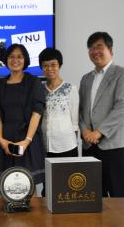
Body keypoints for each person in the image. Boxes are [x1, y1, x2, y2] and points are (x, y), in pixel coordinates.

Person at [79, 32, 124, 197]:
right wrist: (85, 131)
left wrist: (99, 132)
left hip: (114, 144)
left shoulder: (123, 74)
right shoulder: (86, 79)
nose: (94, 51)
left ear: (110, 49)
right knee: (93, 194)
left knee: (118, 193)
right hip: (89, 145)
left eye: (99, 47)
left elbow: (122, 106)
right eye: (91, 48)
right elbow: (81, 109)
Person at [0, 44, 46, 186]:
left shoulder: (34, 82)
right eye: (12, 56)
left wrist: (26, 141)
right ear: (6, 60)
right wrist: (1, 140)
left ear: (25, 60)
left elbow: (37, 113)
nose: (15, 60)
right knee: (6, 186)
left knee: (28, 186)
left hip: (28, 141)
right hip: (5, 142)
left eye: (19, 56)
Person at [38, 48, 79, 196]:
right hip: (45, 146)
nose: (50, 69)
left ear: (59, 65)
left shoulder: (70, 89)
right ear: (42, 67)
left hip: (67, 145)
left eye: (53, 65)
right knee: (48, 187)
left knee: (68, 185)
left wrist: (73, 142)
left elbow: (75, 121)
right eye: (45, 65)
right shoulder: (39, 89)